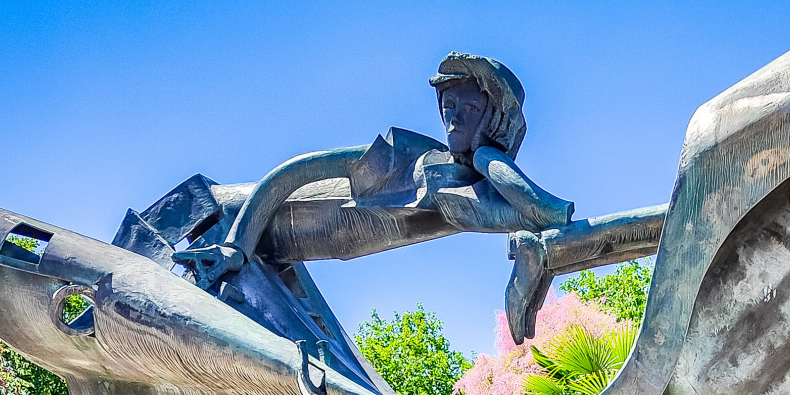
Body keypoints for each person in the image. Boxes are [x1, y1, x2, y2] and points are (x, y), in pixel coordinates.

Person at [141, 53, 665, 348]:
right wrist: (236, 244)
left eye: (467, 107)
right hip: (227, 219)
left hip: (280, 259)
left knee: (318, 354)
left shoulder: (471, 191)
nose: (453, 117)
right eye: (447, 106)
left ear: (494, 116)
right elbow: (294, 173)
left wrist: (487, 161)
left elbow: (548, 214)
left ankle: (572, 247)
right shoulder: (402, 155)